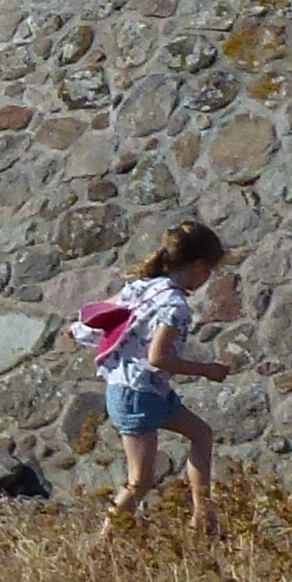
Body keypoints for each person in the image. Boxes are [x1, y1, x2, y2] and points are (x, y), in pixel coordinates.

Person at [74, 223, 231, 536]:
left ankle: (203, 515)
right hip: (137, 393)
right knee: (140, 481)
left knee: (201, 434)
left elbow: (102, 315)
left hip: (143, 389)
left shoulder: (143, 286)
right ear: (199, 266)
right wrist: (207, 370)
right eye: (210, 270)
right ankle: (101, 546)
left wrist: (76, 330)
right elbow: (157, 357)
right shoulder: (175, 307)